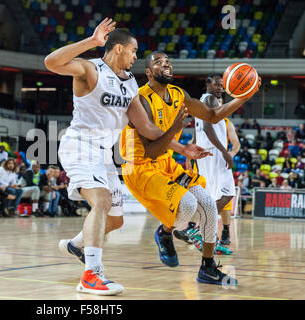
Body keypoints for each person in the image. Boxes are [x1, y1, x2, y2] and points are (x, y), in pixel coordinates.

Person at [45, 21, 208, 295]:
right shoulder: (90, 69)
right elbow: (51, 62)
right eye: (133, 51)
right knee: (102, 200)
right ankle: (91, 275)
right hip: (81, 147)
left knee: (116, 220)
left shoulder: (130, 83)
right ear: (118, 48)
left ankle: (77, 245)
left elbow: (148, 129)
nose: (135, 56)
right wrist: (91, 41)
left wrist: (181, 147)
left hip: (106, 157)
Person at [119, 51, 259, 285]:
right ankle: (165, 233)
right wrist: (176, 133)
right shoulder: (140, 99)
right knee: (187, 204)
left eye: (168, 61)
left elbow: (213, 115)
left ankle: (207, 267)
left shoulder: (177, 94)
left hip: (165, 164)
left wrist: (244, 97)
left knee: (208, 206)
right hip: (140, 168)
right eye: (158, 62)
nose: (166, 63)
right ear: (148, 73)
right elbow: (152, 149)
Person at [176, 75, 239, 247]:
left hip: (206, 151)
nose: (220, 88)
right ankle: (195, 228)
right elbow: (207, 127)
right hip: (213, 152)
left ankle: (194, 227)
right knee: (220, 195)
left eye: (222, 85)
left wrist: (191, 152)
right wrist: (224, 152)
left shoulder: (205, 101)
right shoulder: (210, 99)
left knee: (223, 194)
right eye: (217, 85)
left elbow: (198, 130)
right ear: (208, 85)